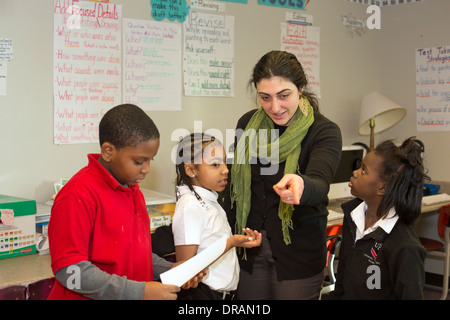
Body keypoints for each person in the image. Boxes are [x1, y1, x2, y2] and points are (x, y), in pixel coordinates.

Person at [48, 104, 204, 300]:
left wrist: (170, 270)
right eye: (139, 161)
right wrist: (139, 292)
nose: (146, 169)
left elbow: (136, 256)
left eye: (150, 161)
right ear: (108, 152)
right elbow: (69, 272)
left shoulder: (132, 189)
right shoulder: (77, 196)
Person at [224, 50, 342, 300]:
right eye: (265, 97)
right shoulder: (247, 124)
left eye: (283, 96)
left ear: (301, 88)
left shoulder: (324, 131)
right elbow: (233, 181)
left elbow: (320, 183)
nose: (274, 107)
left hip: (298, 254)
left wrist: (301, 183)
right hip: (250, 249)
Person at [330, 137, 427, 299]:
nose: (354, 172)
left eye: (363, 170)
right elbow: (342, 278)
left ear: (382, 187)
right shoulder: (352, 217)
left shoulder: (405, 246)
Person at [173, 133, 262, 300]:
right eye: (215, 165)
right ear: (191, 170)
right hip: (203, 294)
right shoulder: (190, 206)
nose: (225, 170)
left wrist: (239, 242)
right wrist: (231, 243)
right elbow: (185, 270)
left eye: (224, 162)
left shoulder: (210, 200)